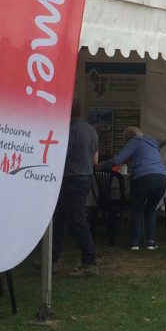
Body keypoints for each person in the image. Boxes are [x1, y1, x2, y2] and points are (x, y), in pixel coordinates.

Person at [99, 126, 166, 250]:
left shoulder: (134, 142)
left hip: (143, 177)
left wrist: (101, 165)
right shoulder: (153, 143)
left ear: (127, 138)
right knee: (151, 208)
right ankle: (151, 242)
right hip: (162, 177)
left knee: (137, 208)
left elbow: (118, 159)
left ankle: (135, 242)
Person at [51, 101, 100, 276]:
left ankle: (89, 262)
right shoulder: (90, 130)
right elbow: (96, 160)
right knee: (60, 219)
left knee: (77, 221)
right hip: (85, 177)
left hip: (70, 179)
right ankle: (51, 259)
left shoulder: (70, 131)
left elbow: (60, 155)